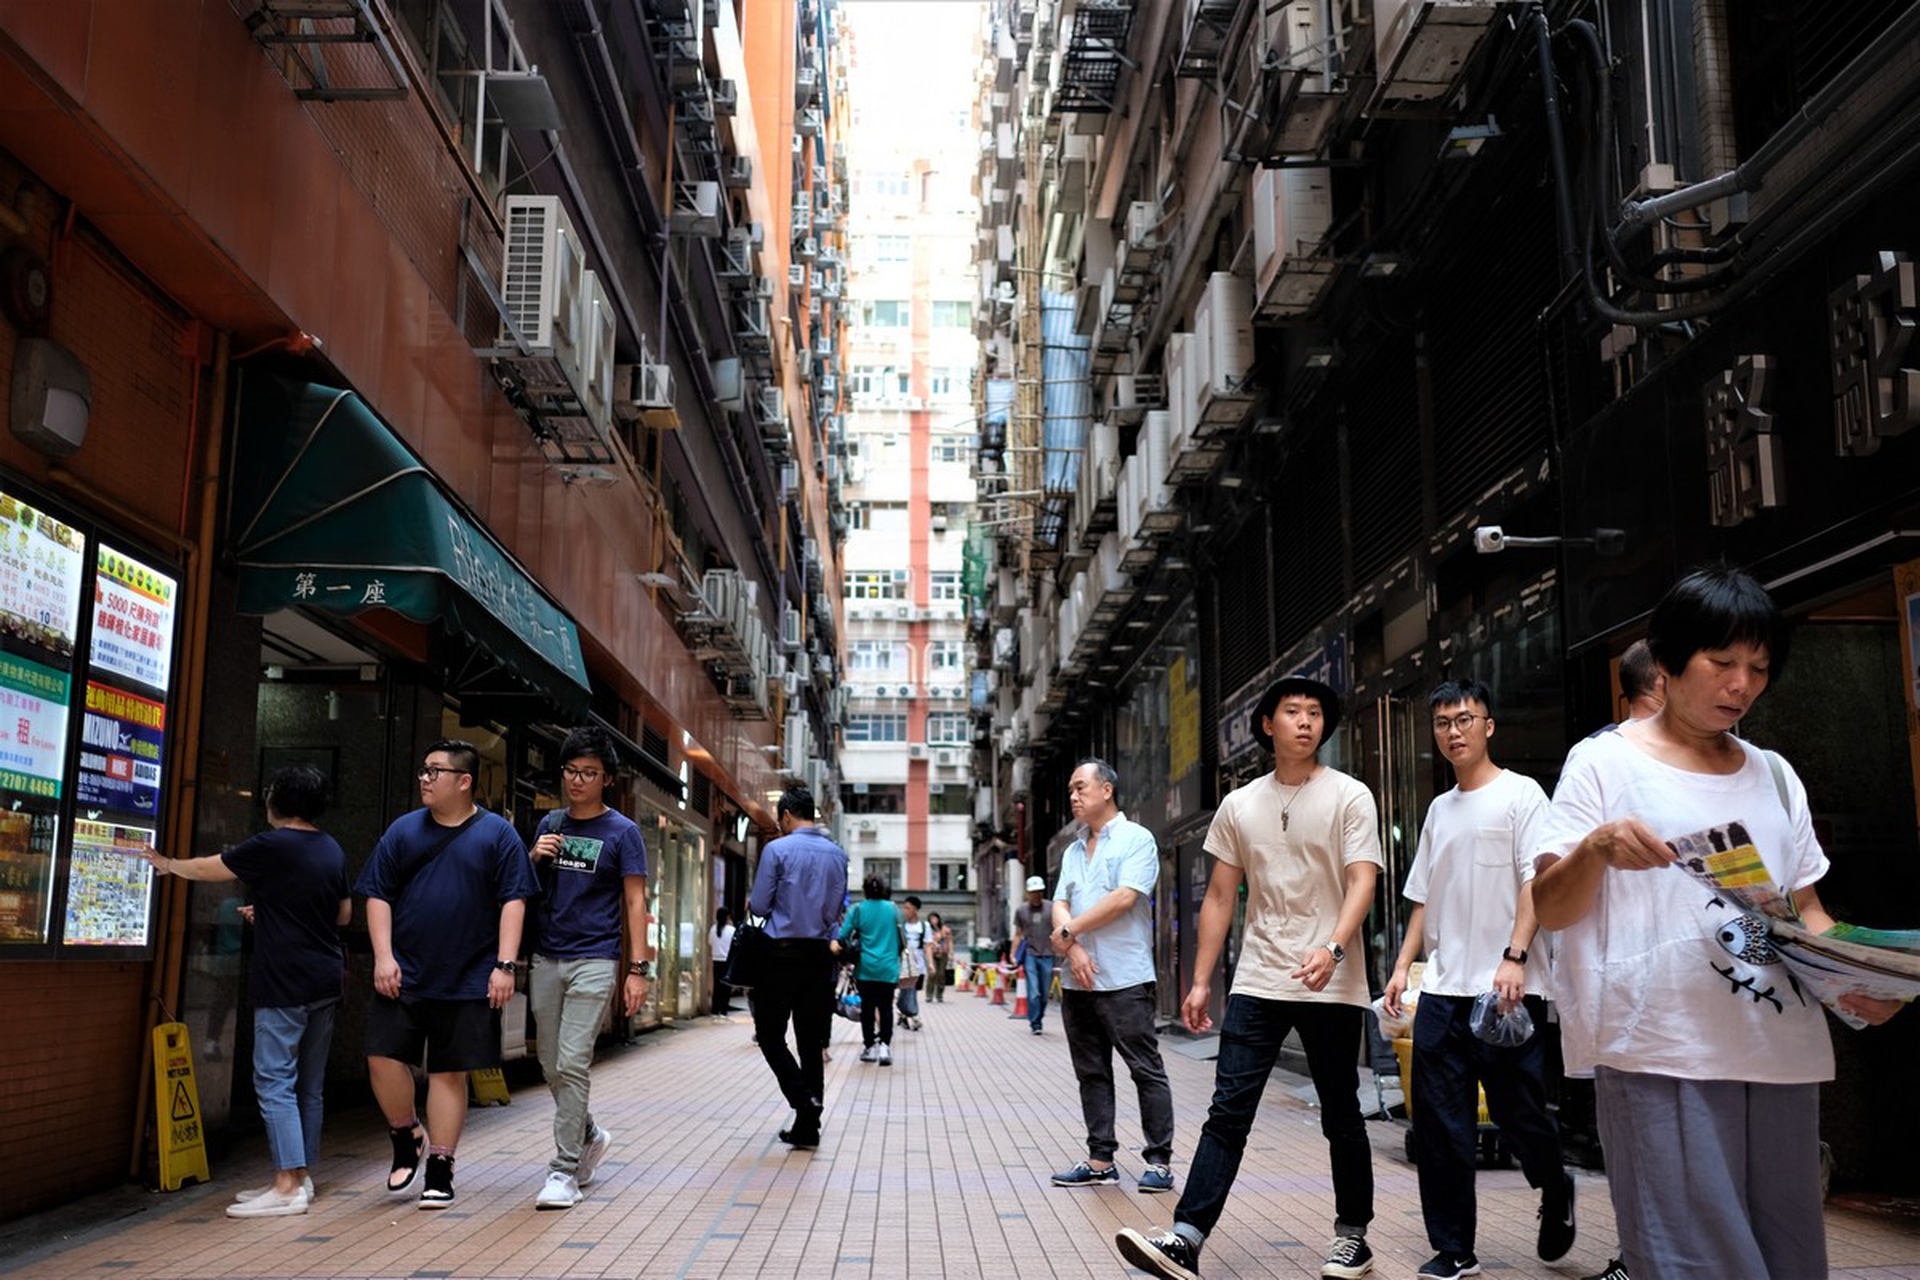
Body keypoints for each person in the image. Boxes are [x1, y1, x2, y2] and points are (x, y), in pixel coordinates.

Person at [1533, 566, 1904, 1279]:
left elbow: (1806, 917)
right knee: (1691, 1261)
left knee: (1790, 1257)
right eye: (1723, 663)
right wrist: (1597, 847)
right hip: (1661, 1043)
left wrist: (1862, 984)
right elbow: (1552, 905)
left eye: (1759, 668)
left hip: (1778, 1047)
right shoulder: (1603, 763)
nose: (1742, 685)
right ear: (1668, 661)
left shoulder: (1773, 773)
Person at [1119, 675, 1382, 1280]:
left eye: (1315, 713)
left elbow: (1363, 879)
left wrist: (1334, 950)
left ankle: (1353, 1237)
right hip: (1260, 978)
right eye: (1292, 712)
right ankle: (1186, 1236)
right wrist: (1200, 979)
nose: (1305, 721)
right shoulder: (1240, 804)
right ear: (1269, 724)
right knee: (1228, 1110)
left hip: (1330, 981)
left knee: (1340, 1110)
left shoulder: (1351, 796)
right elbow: (1219, 895)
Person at [1382, 680, 1571, 1280]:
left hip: (1505, 989)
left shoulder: (1523, 796)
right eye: (1442, 723)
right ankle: (1454, 1248)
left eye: (1464, 719)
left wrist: (1515, 956)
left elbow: (1534, 884)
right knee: (1441, 1126)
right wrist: (1401, 968)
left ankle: (1554, 1180)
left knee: (1519, 1117)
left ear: (1488, 726)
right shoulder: (1440, 809)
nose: (1453, 731)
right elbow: (1421, 899)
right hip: (1441, 989)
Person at [143, 765, 348, 1218]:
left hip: (284, 978)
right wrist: (276, 912)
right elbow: (343, 913)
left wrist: (167, 865)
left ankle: (286, 1185)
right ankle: (301, 1177)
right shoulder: (330, 847)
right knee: (308, 1086)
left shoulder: (273, 843)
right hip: (325, 976)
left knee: (274, 1079)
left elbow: (211, 867)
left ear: (278, 801)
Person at [353, 740, 539, 1209]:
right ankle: (406, 1134)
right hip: (404, 970)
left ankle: (440, 1165)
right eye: (423, 769)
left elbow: (513, 901)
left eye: (435, 771)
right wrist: (382, 956)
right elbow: (377, 894)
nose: (424, 778)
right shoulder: (402, 831)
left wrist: (504, 965)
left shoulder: (498, 835)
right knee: (381, 1056)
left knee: (447, 1072)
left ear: (464, 781)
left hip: (469, 974)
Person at [524, 726, 652, 1210]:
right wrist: (534, 856)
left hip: (595, 958)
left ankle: (564, 1171)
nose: (578, 780)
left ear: (607, 779)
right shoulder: (550, 823)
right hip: (546, 956)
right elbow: (526, 889)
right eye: (572, 771)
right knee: (550, 1066)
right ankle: (591, 1133)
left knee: (573, 1062)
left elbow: (635, 900)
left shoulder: (622, 832)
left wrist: (637, 969)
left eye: (589, 773)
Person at [1048, 758, 1176, 1195]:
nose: (1073, 796)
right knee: (1091, 1071)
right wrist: (1075, 945)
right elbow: (1060, 902)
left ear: (1107, 790)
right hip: (1078, 978)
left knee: (1145, 1068)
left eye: (1081, 787)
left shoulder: (1137, 839)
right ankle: (1100, 1158)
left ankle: (1159, 1161)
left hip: (1124, 977)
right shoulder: (1071, 849)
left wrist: (1069, 932)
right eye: (1070, 789)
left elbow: (1124, 898)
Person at [748, 786, 849, 1149]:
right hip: (820, 955)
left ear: (787, 815)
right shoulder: (838, 855)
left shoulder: (777, 849)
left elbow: (759, 907)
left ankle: (803, 1103)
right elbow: (838, 908)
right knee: (810, 1039)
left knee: (770, 1034)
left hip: (780, 954)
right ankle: (809, 1124)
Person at [837, 873, 903, 1064]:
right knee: (886, 1008)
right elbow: (902, 940)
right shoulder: (893, 910)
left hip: (865, 968)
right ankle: (885, 1047)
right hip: (888, 968)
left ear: (865, 889)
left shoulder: (858, 910)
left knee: (867, 1008)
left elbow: (843, 936)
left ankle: (869, 1047)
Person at [1013, 873, 1055, 1034]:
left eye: (1039, 891)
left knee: (1044, 993)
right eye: (1033, 891)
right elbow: (1018, 933)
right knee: (1033, 992)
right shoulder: (1022, 910)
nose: (1036, 894)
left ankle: (1039, 1016)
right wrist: (1013, 954)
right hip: (1030, 954)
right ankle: (1035, 1023)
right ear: (1028, 892)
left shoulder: (1051, 908)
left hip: (1048, 954)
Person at [897, 894, 930, 1030]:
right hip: (903, 963)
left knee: (911, 990)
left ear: (915, 910)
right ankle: (912, 1014)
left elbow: (927, 946)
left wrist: (931, 964)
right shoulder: (900, 926)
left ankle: (904, 1013)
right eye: (904, 908)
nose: (904, 911)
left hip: (918, 963)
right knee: (907, 989)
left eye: (907, 908)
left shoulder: (924, 926)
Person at [711, 907, 736, 1016]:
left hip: (716, 960)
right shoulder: (731, 930)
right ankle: (723, 1009)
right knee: (726, 987)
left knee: (717, 986)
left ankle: (715, 1009)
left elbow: (710, 943)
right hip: (727, 961)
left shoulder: (713, 929)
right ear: (727, 917)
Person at [925, 911, 953, 1002]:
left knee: (941, 974)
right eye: (931, 919)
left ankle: (939, 995)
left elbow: (950, 940)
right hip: (932, 954)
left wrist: (951, 952)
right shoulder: (927, 930)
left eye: (935, 918)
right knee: (932, 974)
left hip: (943, 954)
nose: (933, 921)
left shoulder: (944, 929)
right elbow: (926, 942)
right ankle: (929, 994)